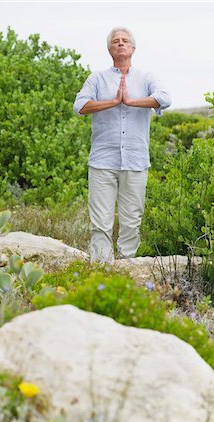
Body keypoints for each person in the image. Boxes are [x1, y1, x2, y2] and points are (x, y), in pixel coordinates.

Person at [73, 26, 171, 262]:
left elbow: (165, 99)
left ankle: (127, 267)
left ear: (133, 48)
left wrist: (131, 101)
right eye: (115, 41)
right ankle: (101, 268)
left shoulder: (146, 77)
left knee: (131, 220)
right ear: (109, 49)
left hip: (135, 160)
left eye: (125, 40)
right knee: (100, 221)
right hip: (102, 161)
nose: (120, 43)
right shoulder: (97, 78)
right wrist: (114, 101)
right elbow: (80, 106)